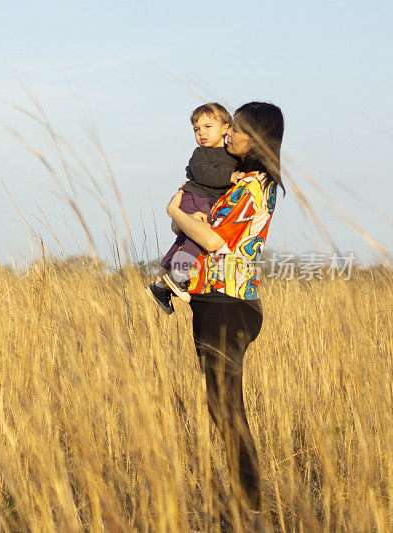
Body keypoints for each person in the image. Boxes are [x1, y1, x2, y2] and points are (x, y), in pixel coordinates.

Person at [166, 102, 285, 529]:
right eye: (229, 126)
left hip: (228, 303)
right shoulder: (236, 180)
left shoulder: (252, 184)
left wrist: (175, 213)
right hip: (214, 300)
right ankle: (243, 505)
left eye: (237, 129)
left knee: (227, 409)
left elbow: (213, 240)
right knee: (221, 407)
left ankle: (251, 512)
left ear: (258, 139)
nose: (229, 133)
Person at [146, 103, 244, 314]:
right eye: (197, 130)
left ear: (226, 128)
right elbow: (202, 174)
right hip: (196, 198)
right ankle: (178, 275)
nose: (202, 133)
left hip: (202, 199)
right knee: (198, 237)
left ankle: (160, 283)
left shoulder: (232, 155)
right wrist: (230, 177)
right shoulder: (201, 154)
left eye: (208, 127)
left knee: (183, 239)